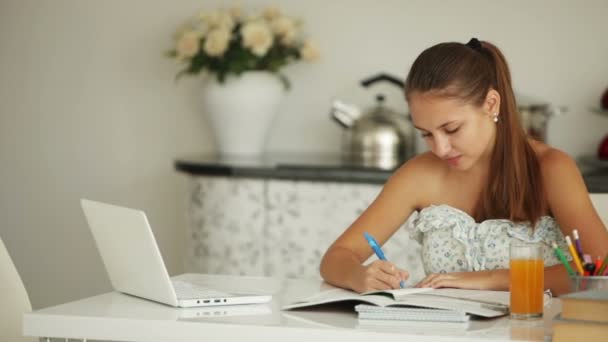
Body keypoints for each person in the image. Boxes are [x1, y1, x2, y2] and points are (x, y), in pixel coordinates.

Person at [319, 38, 608, 296]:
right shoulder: (419, 175)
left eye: (452, 129)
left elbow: (599, 270)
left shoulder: (551, 168)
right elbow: (336, 258)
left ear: (491, 103)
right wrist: (360, 276)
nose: (440, 148)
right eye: (426, 134)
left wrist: (489, 279)